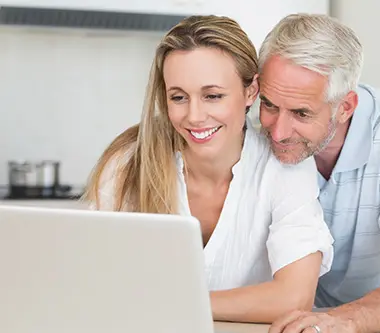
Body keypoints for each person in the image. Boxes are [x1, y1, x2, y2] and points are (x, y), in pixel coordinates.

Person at [82, 15, 333, 324]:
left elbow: (294, 299)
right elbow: (91, 279)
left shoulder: (284, 169)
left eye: (213, 96)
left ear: (251, 92)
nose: (195, 116)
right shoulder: (129, 160)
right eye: (178, 97)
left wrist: (171, 302)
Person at [256, 14, 380, 333]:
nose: (277, 133)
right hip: (311, 316)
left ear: (345, 107)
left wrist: (339, 320)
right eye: (270, 105)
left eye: (301, 113)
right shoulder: (257, 129)